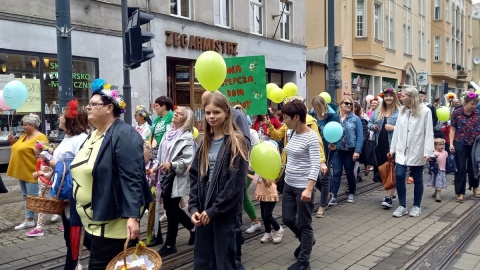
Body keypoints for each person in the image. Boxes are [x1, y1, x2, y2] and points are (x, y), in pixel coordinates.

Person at [70, 79, 153, 268]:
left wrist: (133, 217)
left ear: (109, 108)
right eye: (88, 104)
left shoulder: (124, 135)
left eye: (93, 104)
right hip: (94, 222)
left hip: (113, 226)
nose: (88, 108)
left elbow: (133, 178)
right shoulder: (94, 134)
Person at [189, 92, 249, 270]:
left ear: (226, 113)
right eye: (208, 113)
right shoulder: (204, 142)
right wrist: (193, 207)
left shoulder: (236, 142)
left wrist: (215, 209)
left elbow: (235, 184)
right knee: (203, 262)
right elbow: (195, 176)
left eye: (216, 112)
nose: (211, 117)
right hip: (203, 212)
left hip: (225, 214)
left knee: (225, 263)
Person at [280, 99, 326, 270]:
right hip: (288, 184)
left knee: (305, 224)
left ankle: (304, 261)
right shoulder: (291, 133)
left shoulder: (311, 137)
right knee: (287, 219)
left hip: (302, 187)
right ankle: (307, 240)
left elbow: (315, 164)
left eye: (286, 118)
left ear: (296, 117)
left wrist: (308, 188)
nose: (284, 121)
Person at [47, 99, 89, 269]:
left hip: (75, 192)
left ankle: (72, 264)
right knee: (69, 232)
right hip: (64, 192)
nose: (59, 117)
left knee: (76, 231)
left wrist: (55, 164)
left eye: (62, 115)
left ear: (70, 119)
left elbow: (83, 165)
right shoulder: (67, 137)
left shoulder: (82, 139)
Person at [156, 106, 196, 257]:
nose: (176, 114)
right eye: (176, 112)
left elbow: (188, 161)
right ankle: (193, 229)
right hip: (165, 176)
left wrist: (172, 165)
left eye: (180, 114)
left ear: (186, 120)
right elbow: (162, 153)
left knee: (171, 209)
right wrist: (156, 167)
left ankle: (170, 244)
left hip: (176, 177)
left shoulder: (187, 138)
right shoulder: (169, 132)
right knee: (171, 208)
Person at [390, 87, 434, 218]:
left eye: (403, 96)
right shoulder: (402, 111)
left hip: (417, 150)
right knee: (399, 175)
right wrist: (392, 149)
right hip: (401, 150)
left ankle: (416, 206)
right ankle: (402, 205)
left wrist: (428, 152)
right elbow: (397, 131)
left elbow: (428, 132)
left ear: (411, 97)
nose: (401, 98)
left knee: (417, 177)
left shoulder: (425, 111)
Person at [7, 113, 49, 230]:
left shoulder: (41, 138)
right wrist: (12, 141)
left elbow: (47, 155)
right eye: (23, 124)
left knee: (33, 197)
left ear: (33, 125)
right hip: (23, 171)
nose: (23, 127)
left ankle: (31, 220)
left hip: (33, 172)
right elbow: (18, 149)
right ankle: (29, 219)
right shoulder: (24, 136)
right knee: (27, 196)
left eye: (26, 125)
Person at [368, 88, 400, 208]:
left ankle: (389, 197)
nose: (388, 98)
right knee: (383, 171)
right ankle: (392, 191)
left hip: (393, 145)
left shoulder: (400, 111)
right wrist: (373, 126)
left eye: (391, 96)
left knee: (392, 170)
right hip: (379, 145)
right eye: (386, 96)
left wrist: (393, 128)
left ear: (394, 97)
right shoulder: (377, 111)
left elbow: (406, 128)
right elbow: (369, 123)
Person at [233, 105, 262, 234]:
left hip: (248, 168)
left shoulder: (252, 133)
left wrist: (255, 171)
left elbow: (256, 151)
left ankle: (255, 222)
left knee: (242, 195)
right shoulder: (230, 132)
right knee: (237, 195)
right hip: (235, 168)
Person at [329, 96, 363, 205]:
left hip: (350, 150)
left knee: (349, 172)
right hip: (337, 151)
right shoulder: (335, 118)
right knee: (336, 173)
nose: (348, 105)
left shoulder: (355, 119)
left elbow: (360, 136)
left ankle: (352, 193)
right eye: (346, 103)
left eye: (350, 104)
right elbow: (330, 132)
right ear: (341, 104)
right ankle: (333, 196)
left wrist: (357, 151)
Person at [310, 96, 338, 218]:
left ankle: (322, 206)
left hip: (328, 149)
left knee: (324, 176)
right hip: (314, 148)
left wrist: (335, 144)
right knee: (315, 177)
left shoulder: (332, 116)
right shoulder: (312, 115)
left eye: (318, 108)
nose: (316, 110)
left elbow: (338, 131)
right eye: (315, 108)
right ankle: (326, 195)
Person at [449, 92, 480, 202]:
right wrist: (451, 144)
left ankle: (475, 187)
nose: (474, 106)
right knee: (461, 168)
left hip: (475, 144)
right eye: (472, 104)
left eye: (476, 104)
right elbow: (452, 128)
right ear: (466, 102)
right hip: (460, 143)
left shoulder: (478, 113)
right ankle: (460, 192)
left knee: (474, 167)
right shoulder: (457, 113)